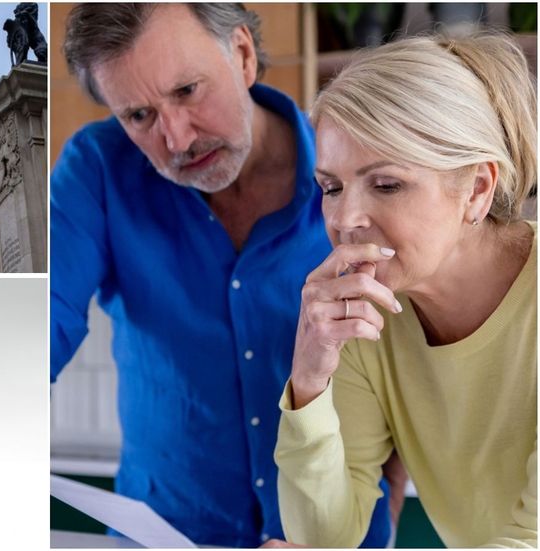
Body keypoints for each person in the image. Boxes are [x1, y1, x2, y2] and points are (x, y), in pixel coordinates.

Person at [51, 3, 393, 546]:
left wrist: (382, 521)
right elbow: (43, 320)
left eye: (187, 90)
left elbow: (411, 364)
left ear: (242, 54)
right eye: (138, 116)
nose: (177, 138)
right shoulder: (96, 168)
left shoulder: (357, 170)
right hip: (161, 534)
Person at [271, 33, 536, 548]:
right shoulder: (367, 317)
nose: (345, 219)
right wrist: (309, 382)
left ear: (477, 189)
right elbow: (323, 537)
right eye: (331, 188)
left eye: (387, 184)